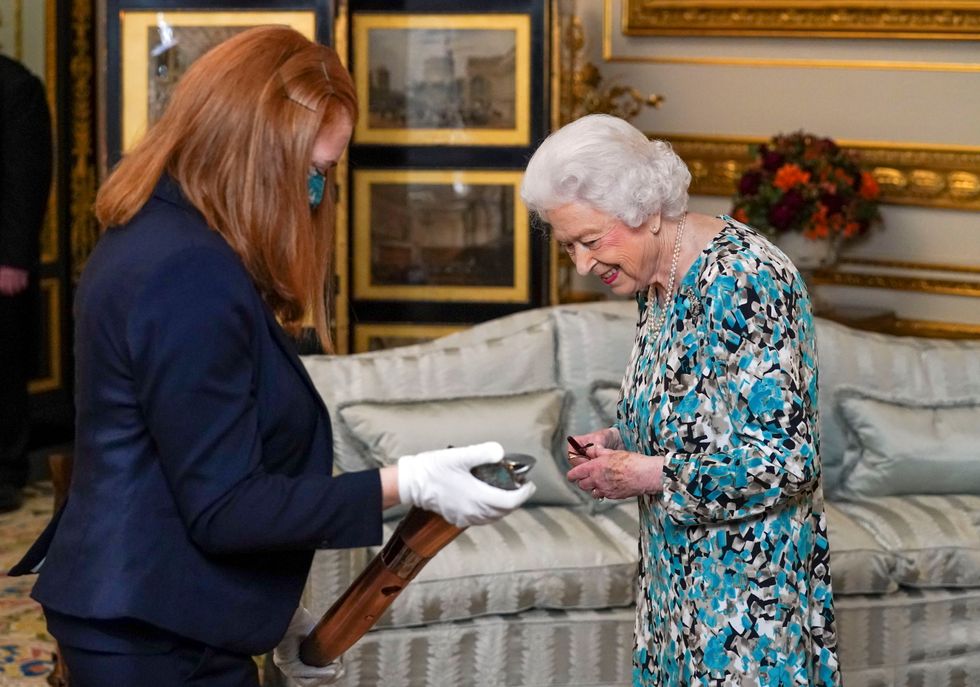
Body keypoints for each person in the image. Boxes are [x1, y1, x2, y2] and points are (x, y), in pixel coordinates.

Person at [10, 27, 534, 687]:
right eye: (313, 171)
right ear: (251, 150)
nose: (317, 196)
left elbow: (181, 463)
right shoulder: (187, 270)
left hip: (161, 613)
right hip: (157, 635)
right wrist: (409, 482)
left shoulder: (157, 233)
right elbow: (226, 508)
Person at [521, 114, 840, 686]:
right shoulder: (659, 279)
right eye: (568, 245)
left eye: (591, 241)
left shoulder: (743, 279)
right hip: (676, 588)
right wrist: (617, 444)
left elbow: (789, 461)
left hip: (746, 604)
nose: (582, 265)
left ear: (645, 209)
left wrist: (646, 473)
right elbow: (698, 417)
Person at [0, 55, 53, 513]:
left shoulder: (16, 87)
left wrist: (14, 258)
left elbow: (27, 177)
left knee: (2, 367)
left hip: (2, 264)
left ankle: (4, 473)